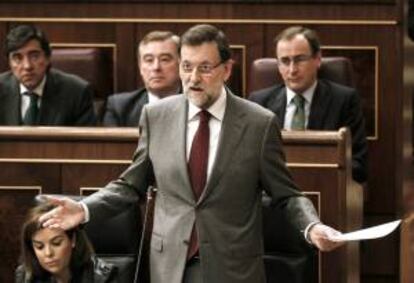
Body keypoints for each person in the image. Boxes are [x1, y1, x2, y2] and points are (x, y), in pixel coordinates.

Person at [39, 24, 343, 283]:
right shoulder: (155, 116)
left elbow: (286, 194)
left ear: (226, 69)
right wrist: (84, 210)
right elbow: (131, 184)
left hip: (232, 268)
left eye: (205, 67)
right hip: (169, 266)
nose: (193, 78)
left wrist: (312, 226)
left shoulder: (259, 124)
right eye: (186, 66)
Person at [249, 26, 368, 184]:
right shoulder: (259, 102)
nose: (292, 70)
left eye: (299, 60)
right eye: (285, 61)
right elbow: (247, 159)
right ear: (278, 65)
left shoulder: (344, 101)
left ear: (317, 59)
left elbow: (358, 165)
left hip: (324, 188)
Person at [0, 24, 97, 126]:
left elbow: (86, 140)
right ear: (9, 63)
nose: (27, 66)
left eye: (34, 56)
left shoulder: (77, 92)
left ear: (47, 58)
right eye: (18, 58)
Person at [15, 201, 118, 283]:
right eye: (39, 247)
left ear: (73, 240)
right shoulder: (26, 276)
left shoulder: (101, 278)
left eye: (56, 243)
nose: (48, 253)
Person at [102, 30, 181, 127]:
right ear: (140, 67)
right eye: (149, 60)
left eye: (164, 59)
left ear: (181, 65)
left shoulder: (197, 104)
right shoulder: (119, 107)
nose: (156, 67)